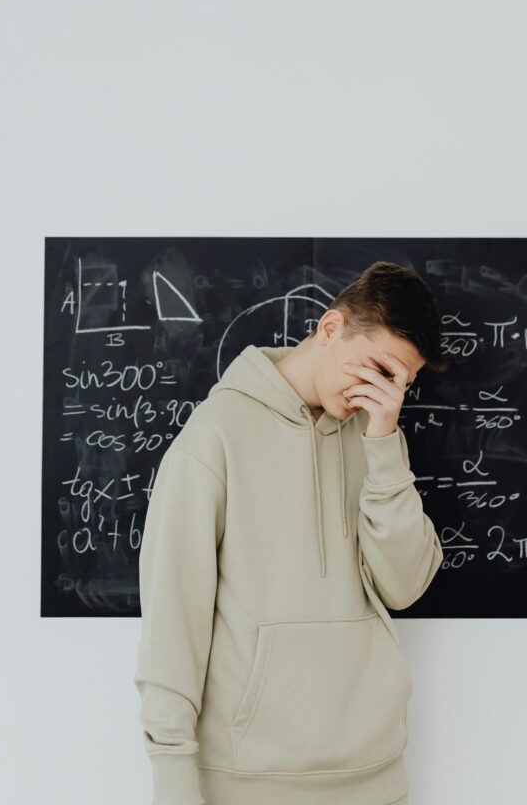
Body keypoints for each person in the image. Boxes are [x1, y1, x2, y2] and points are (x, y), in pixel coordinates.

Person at [133, 260, 447, 805]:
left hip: (375, 776)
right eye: (376, 367)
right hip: (247, 784)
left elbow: (404, 585)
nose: (384, 391)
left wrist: (385, 447)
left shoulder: (374, 435)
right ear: (330, 329)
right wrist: (174, 783)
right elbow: (172, 622)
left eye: (400, 381)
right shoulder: (214, 438)